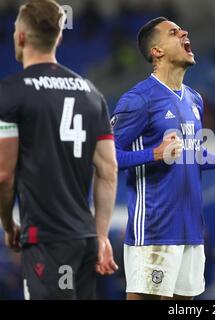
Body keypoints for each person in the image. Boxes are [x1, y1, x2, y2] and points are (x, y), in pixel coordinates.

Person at [111, 17, 215, 300]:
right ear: (157, 52)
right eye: (173, 32)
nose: (184, 33)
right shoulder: (138, 99)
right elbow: (105, 157)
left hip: (191, 229)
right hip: (155, 228)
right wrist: (153, 154)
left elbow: (185, 155)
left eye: (182, 30)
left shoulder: (194, 99)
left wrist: (214, 159)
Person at [0, 0, 118, 300]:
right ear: (59, 37)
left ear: (21, 37)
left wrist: (8, 223)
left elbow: (3, 175)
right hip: (86, 238)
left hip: (46, 239)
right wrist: (102, 235)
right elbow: (108, 170)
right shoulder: (91, 93)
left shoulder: (11, 92)